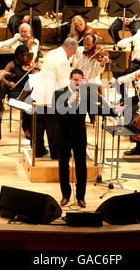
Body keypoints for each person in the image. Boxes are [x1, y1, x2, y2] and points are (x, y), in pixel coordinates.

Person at [30, 37, 77, 158]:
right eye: (74, 51)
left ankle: (38, 150)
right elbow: (64, 83)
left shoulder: (53, 52)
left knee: (39, 125)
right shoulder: (63, 60)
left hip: (39, 92)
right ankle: (56, 153)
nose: (74, 53)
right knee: (52, 126)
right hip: (49, 96)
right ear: (70, 48)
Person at [53, 68, 88, 208]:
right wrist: (68, 101)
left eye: (80, 80)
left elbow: (96, 109)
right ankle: (65, 195)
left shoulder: (86, 94)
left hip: (79, 134)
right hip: (63, 134)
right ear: (70, 79)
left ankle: (81, 197)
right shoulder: (59, 93)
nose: (78, 82)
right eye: (75, 80)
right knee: (63, 167)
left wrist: (114, 111)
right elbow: (55, 112)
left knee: (81, 167)